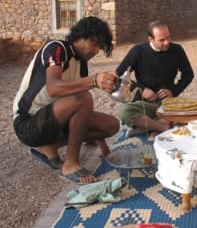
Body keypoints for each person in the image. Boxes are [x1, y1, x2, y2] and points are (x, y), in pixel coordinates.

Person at [13, 16, 120, 184]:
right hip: (28, 124)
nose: (96, 51)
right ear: (82, 36)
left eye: (99, 47)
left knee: (111, 125)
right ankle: (70, 164)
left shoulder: (81, 63)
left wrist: (105, 148)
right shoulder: (57, 48)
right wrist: (95, 80)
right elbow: (53, 87)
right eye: (95, 44)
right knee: (83, 97)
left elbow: (80, 111)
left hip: (54, 120)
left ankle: (49, 148)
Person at [116, 20, 194, 132]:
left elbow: (188, 74)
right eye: (162, 40)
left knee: (190, 112)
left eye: (168, 37)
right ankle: (163, 127)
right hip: (143, 103)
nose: (167, 42)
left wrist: (173, 91)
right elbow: (119, 74)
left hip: (167, 102)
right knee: (125, 112)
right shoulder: (138, 51)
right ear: (150, 39)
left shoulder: (177, 50)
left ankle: (147, 124)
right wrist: (142, 90)